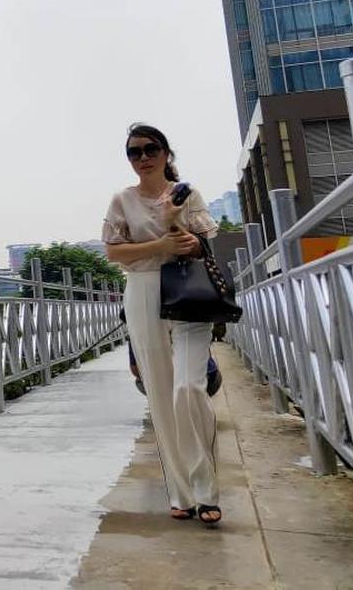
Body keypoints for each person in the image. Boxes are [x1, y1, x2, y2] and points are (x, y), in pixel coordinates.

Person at [102, 124, 223, 526]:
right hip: (142, 289)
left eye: (150, 149)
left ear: (166, 153)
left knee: (188, 387)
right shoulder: (122, 200)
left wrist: (176, 226)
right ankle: (182, 493)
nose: (143, 158)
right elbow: (113, 252)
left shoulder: (187, 194)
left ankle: (207, 489)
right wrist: (160, 245)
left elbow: (202, 244)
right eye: (134, 152)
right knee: (160, 393)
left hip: (188, 289)